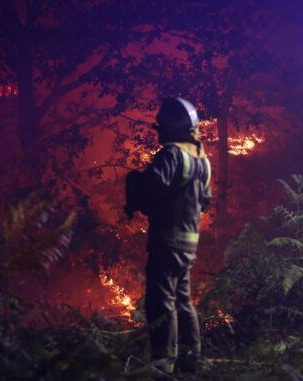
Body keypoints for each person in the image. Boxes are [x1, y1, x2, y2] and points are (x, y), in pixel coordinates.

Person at [126, 97, 212, 376]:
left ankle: (164, 363)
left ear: (173, 126)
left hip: (167, 241)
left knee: (160, 301)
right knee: (183, 299)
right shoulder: (202, 160)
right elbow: (205, 201)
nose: (158, 130)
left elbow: (152, 189)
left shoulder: (171, 155)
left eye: (161, 125)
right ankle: (191, 359)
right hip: (189, 242)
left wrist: (134, 184)